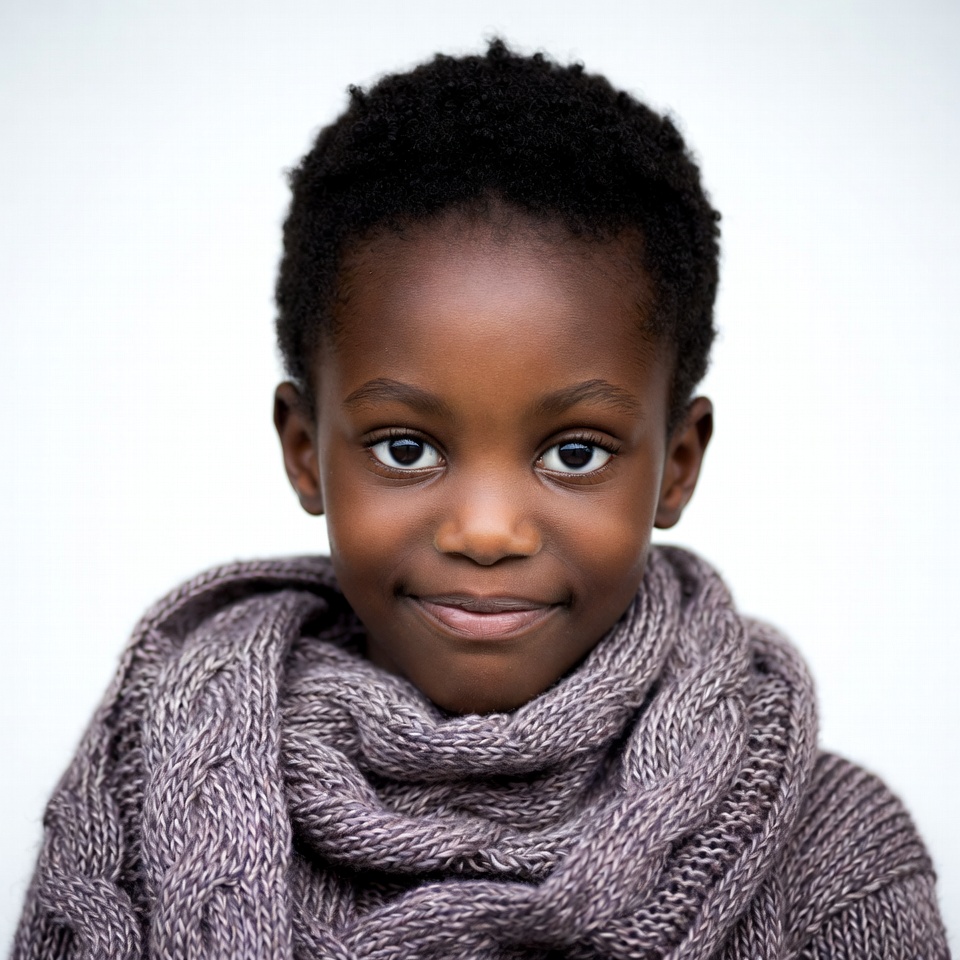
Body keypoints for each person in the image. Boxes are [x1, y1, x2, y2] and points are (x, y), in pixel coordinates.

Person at [11, 40, 949, 960]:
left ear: (676, 464)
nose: (487, 530)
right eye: (407, 448)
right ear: (305, 452)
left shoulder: (830, 861)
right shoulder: (136, 808)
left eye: (575, 453)